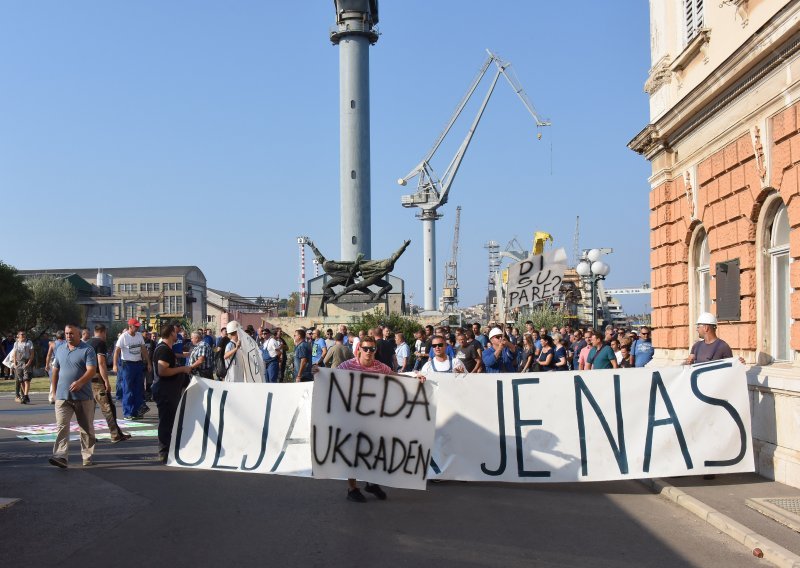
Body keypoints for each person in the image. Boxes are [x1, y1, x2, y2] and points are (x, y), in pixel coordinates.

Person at [336, 335, 426, 502]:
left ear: (375, 350)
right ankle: (352, 488)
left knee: (374, 451)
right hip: (353, 416)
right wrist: (317, 372)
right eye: (365, 349)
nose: (369, 352)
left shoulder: (379, 366)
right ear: (359, 350)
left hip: (374, 417)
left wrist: (414, 379)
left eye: (372, 349)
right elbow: (331, 376)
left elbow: (394, 375)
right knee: (354, 453)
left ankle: (371, 482)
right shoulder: (348, 365)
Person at [48, 324, 98, 468]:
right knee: (61, 427)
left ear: (78, 334)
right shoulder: (60, 349)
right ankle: (60, 456)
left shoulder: (87, 350)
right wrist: (54, 391)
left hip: (83, 397)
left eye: (71, 334)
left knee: (86, 428)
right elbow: (55, 370)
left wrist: (80, 382)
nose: (68, 336)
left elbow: (91, 370)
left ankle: (87, 457)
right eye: (66, 333)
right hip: (63, 396)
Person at [151, 324, 192, 463]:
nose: (178, 335)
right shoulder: (163, 350)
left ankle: (169, 449)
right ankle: (164, 451)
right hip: (165, 391)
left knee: (169, 421)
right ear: (170, 334)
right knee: (166, 422)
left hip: (168, 391)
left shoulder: (167, 349)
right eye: (176, 332)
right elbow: (162, 371)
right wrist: (181, 369)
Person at [86, 324, 131, 443]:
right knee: (107, 408)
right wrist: (106, 381)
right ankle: (114, 434)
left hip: (87, 379)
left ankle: (91, 435)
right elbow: (101, 363)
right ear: (103, 332)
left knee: (90, 410)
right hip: (97, 378)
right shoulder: (100, 343)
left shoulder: (87, 343)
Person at [113, 318, 152, 420]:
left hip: (138, 363)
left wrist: (148, 362)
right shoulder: (124, 337)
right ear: (130, 326)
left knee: (138, 388)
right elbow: (117, 351)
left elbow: (143, 350)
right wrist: (115, 365)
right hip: (127, 364)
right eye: (136, 326)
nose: (138, 328)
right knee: (128, 388)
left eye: (138, 326)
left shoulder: (139, 336)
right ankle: (128, 413)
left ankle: (137, 411)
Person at [45, 331, 67, 404]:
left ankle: (52, 397)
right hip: (64, 361)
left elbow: (48, 355)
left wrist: (47, 365)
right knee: (64, 379)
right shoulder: (67, 343)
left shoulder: (53, 344)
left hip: (55, 362)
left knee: (53, 380)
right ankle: (63, 396)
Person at [13, 330, 34, 404]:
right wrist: (15, 364)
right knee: (20, 380)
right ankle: (25, 396)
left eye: (24, 334)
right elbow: (14, 354)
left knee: (26, 379)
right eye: (21, 334)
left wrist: (28, 363)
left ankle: (25, 395)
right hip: (19, 363)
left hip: (26, 361)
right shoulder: (16, 343)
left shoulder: (29, 342)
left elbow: (32, 354)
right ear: (18, 335)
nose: (23, 335)